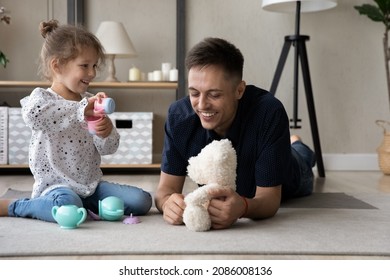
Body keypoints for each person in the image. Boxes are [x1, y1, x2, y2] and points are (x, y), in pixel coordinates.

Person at [154, 37, 316, 230]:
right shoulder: (179, 118)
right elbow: (165, 191)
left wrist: (244, 207)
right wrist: (167, 203)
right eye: (194, 93)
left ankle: (297, 144)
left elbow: (270, 200)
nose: (202, 105)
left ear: (239, 90)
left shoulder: (268, 113)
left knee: (302, 157)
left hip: (292, 174)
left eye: (214, 95)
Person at [0, 20, 152, 222]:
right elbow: (34, 115)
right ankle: (16, 205)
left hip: (90, 186)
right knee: (66, 206)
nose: (92, 73)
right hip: (56, 187)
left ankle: (85, 204)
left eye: (94, 65)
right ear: (57, 65)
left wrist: (105, 132)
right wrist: (82, 109)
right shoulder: (43, 99)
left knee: (141, 201)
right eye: (84, 66)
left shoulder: (88, 102)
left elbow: (108, 148)